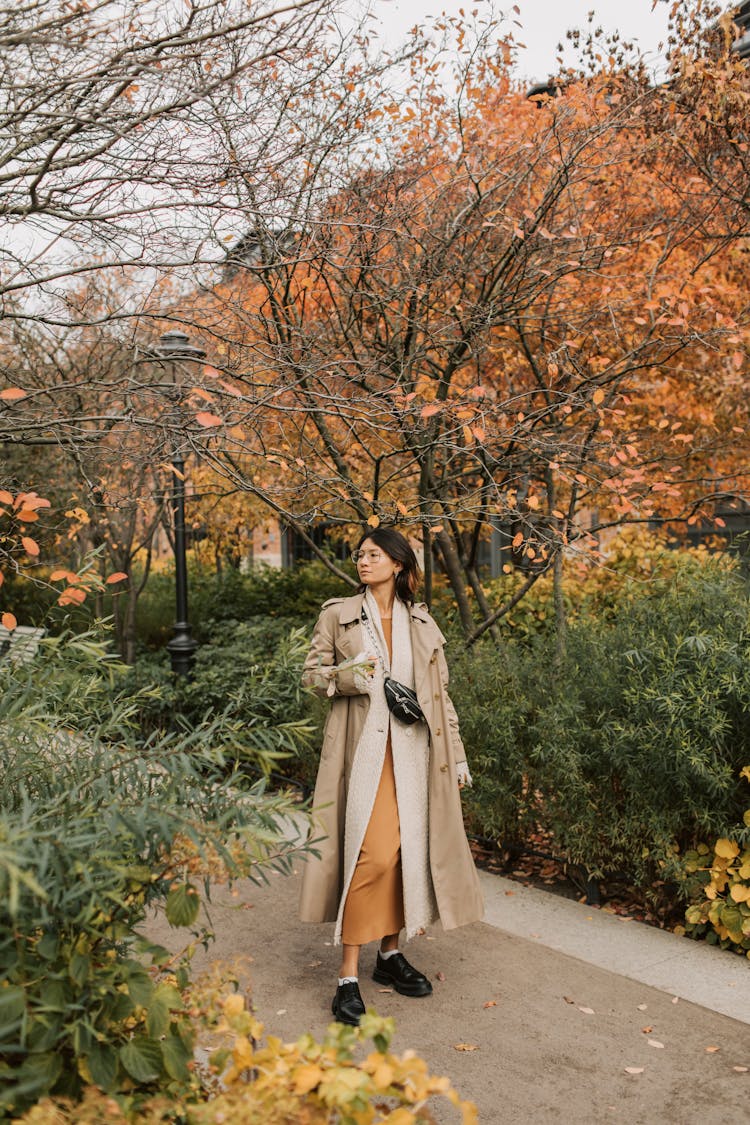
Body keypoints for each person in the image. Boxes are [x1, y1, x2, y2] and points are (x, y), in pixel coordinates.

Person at [300, 526, 483, 1026]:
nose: (363, 562)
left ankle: (389, 956)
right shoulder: (339, 614)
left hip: (416, 752)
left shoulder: (421, 622)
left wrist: (459, 757)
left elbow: (441, 699)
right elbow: (311, 675)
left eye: (374, 555)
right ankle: (346, 978)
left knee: (405, 854)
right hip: (364, 753)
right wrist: (349, 677)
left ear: (398, 565)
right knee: (373, 853)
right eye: (360, 555)